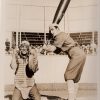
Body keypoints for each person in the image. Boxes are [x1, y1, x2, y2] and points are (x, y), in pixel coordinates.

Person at [43, 23, 86, 100]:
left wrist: (45, 47)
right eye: (50, 30)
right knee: (75, 78)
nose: (51, 32)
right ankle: (73, 97)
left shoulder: (59, 35)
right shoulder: (62, 35)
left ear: (57, 29)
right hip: (81, 53)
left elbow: (53, 49)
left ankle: (71, 98)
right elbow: (57, 50)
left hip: (76, 54)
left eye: (52, 29)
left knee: (68, 75)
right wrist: (49, 46)